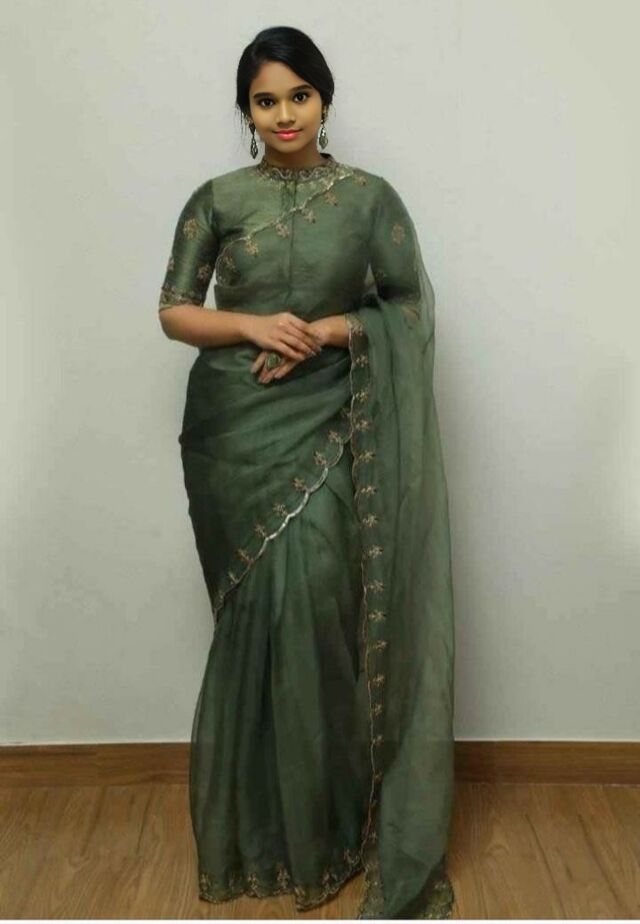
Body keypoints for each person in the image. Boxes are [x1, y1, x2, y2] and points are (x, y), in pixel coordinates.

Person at [157, 25, 456, 920]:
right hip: (232, 434)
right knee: (257, 619)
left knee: (319, 606)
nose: (284, 115)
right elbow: (174, 310)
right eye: (265, 101)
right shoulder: (218, 199)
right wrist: (252, 325)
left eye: (299, 96)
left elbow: (410, 307)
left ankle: (327, 827)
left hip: (331, 423)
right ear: (245, 111)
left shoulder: (369, 201)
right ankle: (261, 830)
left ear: (325, 99)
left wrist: (331, 330)